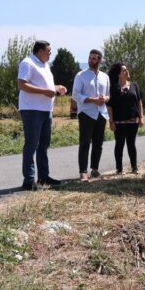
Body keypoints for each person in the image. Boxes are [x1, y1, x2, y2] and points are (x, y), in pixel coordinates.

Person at [17, 40, 68, 190]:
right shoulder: (28, 63)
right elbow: (22, 84)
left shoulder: (45, 65)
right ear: (39, 51)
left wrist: (56, 88)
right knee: (32, 144)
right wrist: (45, 92)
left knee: (43, 145)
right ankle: (29, 180)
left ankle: (43, 177)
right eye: (48, 51)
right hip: (32, 109)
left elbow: (44, 85)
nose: (50, 54)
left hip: (46, 110)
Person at [72, 49, 110, 182]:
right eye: (90, 58)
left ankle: (94, 170)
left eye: (94, 58)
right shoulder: (81, 75)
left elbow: (108, 94)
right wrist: (93, 100)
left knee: (98, 144)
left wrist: (104, 98)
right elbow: (75, 95)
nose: (91, 60)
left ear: (100, 60)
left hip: (101, 113)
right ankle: (83, 172)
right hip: (86, 113)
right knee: (84, 143)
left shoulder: (105, 77)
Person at [107, 63, 144, 174]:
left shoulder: (134, 85)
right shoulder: (113, 88)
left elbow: (139, 102)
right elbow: (109, 106)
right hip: (119, 122)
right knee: (119, 144)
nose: (127, 72)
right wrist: (111, 121)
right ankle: (119, 169)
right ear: (118, 74)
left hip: (134, 121)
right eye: (123, 70)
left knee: (131, 144)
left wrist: (141, 117)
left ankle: (134, 167)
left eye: (127, 70)